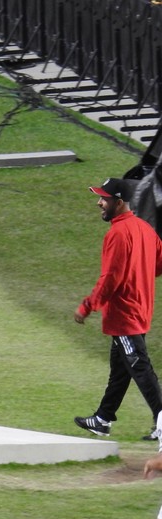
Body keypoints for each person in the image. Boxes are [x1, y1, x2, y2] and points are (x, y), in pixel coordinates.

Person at [74, 178, 162, 440]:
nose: (99, 202)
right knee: (121, 369)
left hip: (125, 315)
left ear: (120, 202)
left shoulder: (118, 233)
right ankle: (102, 418)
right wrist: (140, 274)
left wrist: (88, 306)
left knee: (139, 367)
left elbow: (110, 278)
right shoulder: (144, 228)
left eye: (104, 198)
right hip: (140, 309)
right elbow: (159, 263)